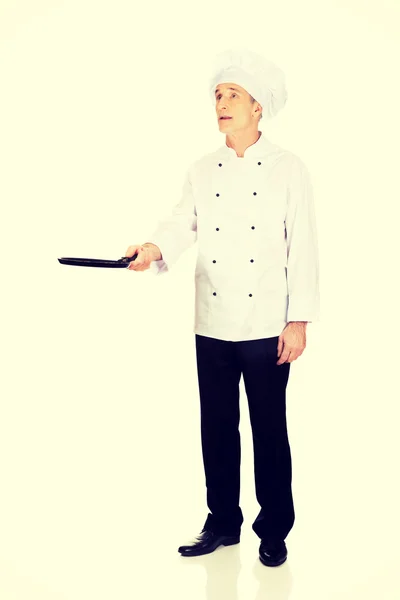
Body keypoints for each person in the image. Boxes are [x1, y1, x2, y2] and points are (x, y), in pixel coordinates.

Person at [124, 47, 320, 568]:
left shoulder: (287, 168)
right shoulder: (201, 169)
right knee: (216, 427)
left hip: (264, 326)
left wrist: (297, 320)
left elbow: (302, 246)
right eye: (218, 95)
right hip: (211, 321)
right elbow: (181, 223)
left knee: (269, 432)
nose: (222, 103)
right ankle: (222, 522)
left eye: (233, 95)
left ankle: (273, 529)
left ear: (259, 108)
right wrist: (152, 249)